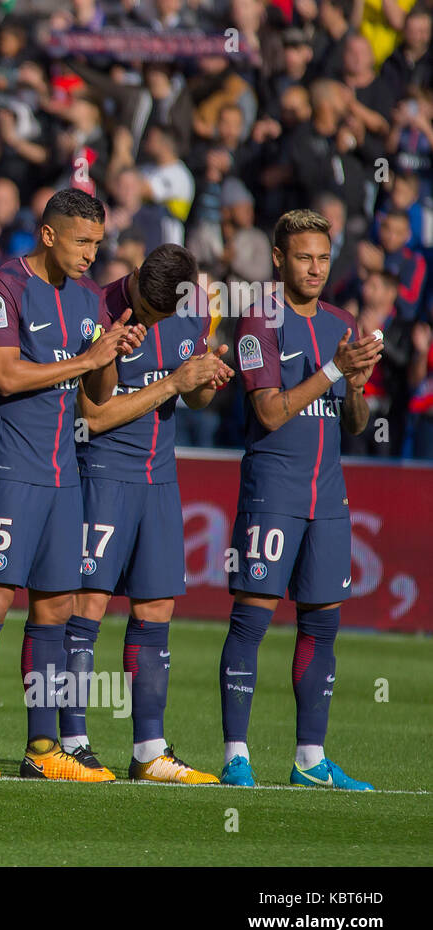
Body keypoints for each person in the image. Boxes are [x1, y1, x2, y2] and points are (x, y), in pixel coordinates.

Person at [0, 187, 145, 781]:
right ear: (49, 235)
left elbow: (99, 398)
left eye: (98, 242)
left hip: (65, 474)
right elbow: (6, 377)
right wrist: (89, 359)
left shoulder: (91, 299)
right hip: (10, 467)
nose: (92, 253)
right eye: (83, 241)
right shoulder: (2, 286)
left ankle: (42, 750)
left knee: (56, 607)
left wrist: (111, 351)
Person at [219, 209, 384, 790]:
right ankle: (236, 754)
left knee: (322, 627)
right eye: (304, 257)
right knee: (251, 622)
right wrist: (336, 369)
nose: (315, 268)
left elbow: (355, 422)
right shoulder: (259, 320)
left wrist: (357, 387)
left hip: (330, 498)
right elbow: (268, 411)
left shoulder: (342, 321)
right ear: (279, 259)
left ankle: (310, 760)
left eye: (323, 257)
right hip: (273, 491)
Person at [66, 243, 233, 784]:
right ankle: (72, 742)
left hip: (159, 478)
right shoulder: (97, 308)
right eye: (144, 304)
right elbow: (92, 417)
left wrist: (205, 381)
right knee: (86, 605)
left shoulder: (196, 308)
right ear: (135, 276)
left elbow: (195, 399)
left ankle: (149, 751)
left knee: (156, 609)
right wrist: (173, 384)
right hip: (101, 473)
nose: (151, 317)